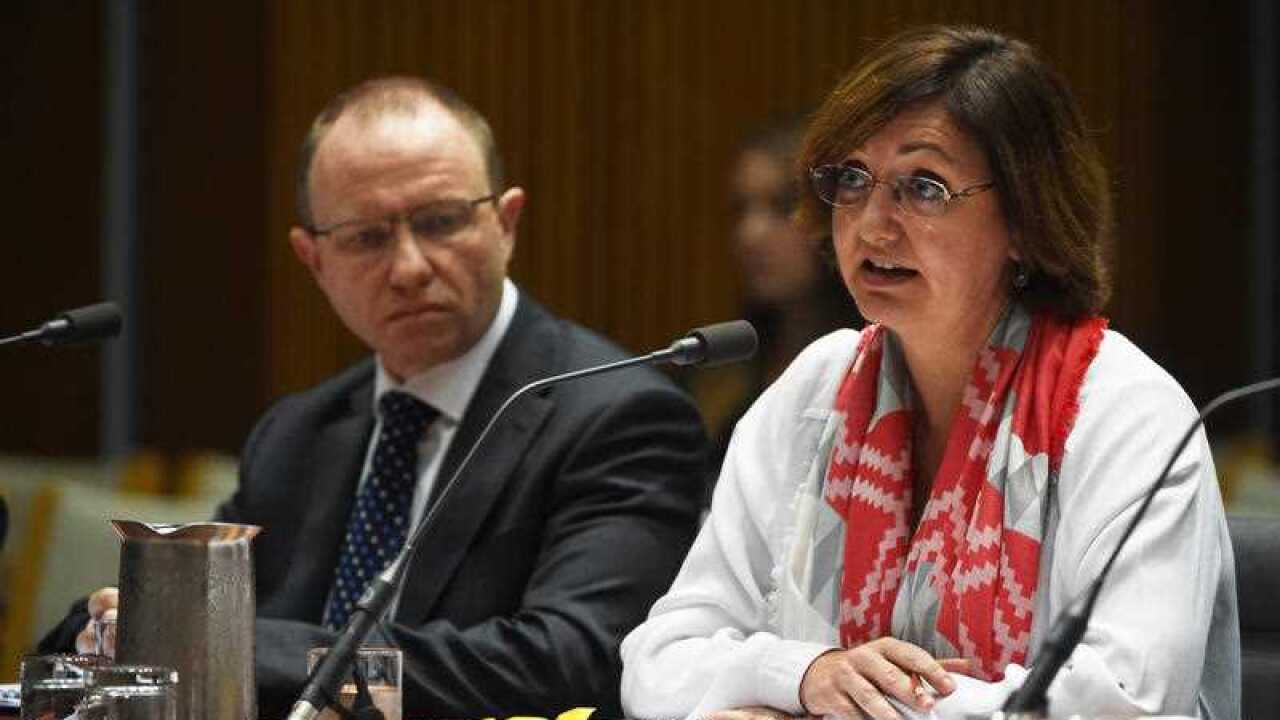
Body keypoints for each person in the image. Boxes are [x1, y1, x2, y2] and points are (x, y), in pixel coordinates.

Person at [621, 25, 1238, 720]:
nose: (872, 225)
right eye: (853, 180)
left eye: (924, 187)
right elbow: (660, 661)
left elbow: (1128, 703)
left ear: (1025, 219)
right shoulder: (814, 390)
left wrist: (854, 706)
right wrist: (804, 673)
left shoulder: (1124, 411)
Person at [40, 76, 708, 718]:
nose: (410, 268)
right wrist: (116, 630)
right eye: (367, 238)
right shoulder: (300, 432)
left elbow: (573, 658)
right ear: (314, 261)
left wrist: (227, 647)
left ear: (506, 223)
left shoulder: (617, 415)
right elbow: (189, 607)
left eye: (441, 222)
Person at [692, 118, 861, 497]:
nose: (750, 234)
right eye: (741, 209)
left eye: (782, 207)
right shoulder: (715, 377)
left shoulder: (882, 368)